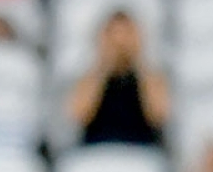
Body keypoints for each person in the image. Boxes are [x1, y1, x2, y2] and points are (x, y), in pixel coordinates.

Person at [66, 9, 169, 148]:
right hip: (97, 151)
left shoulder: (152, 76)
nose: (120, 41)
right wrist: (103, 64)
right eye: (113, 34)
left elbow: (159, 115)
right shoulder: (89, 77)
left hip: (141, 151)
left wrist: (138, 60)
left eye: (127, 33)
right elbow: (79, 115)